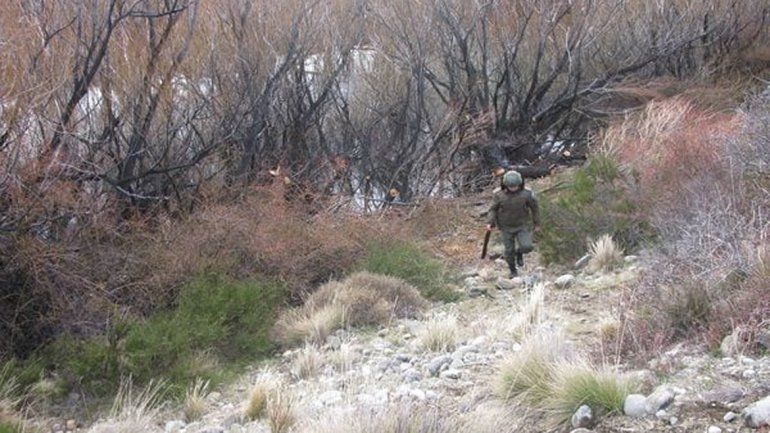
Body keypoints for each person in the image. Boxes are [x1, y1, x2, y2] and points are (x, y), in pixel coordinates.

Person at [486, 170, 540, 277]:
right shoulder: (499, 195)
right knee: (509, 251)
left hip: (521, 225)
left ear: (520, 184)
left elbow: (535, 208)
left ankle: (519, 252)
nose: (513, 188)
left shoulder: (527, 194)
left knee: (527, 246)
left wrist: (536, 223)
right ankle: (513, 270)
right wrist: (490, 222)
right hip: (505, 227)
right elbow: (493, 209)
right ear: (505, 185)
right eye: (511, 186)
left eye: (515, 186)